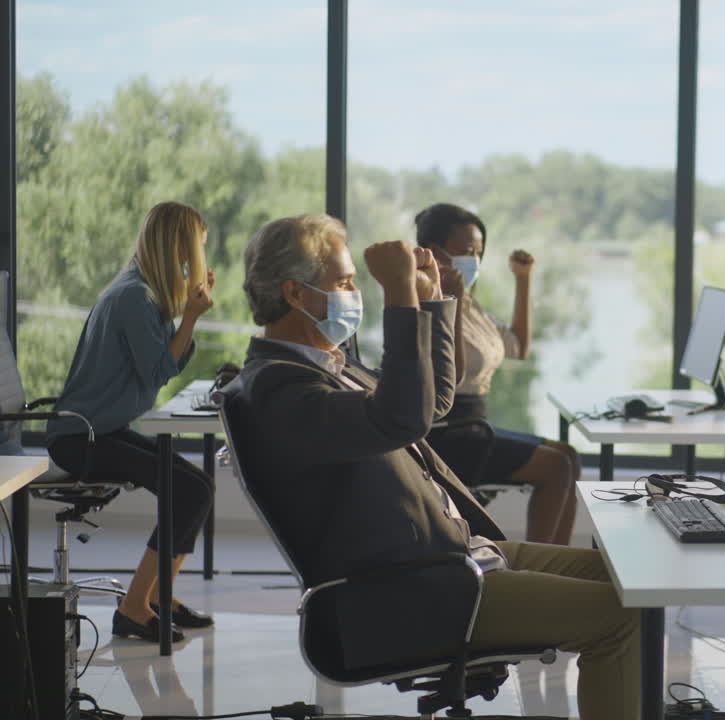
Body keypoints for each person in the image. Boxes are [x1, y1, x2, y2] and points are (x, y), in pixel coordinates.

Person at [236, 214, 639, 720]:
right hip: (417, 589)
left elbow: (432, 403)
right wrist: (400, 293)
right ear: (296, 294)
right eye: (343, 282)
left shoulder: (323, 366)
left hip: (453, 558)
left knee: (632, 579)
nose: (353, 293)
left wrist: (430, 299)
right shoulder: (281, 389)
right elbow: (401, 417)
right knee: (622, 616)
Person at [46, 201, 216, 643]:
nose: (196, 256)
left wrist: (185, 316)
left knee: (197, 486)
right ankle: (134, 607)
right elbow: (160, 370)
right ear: (176, 245)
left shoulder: (144, 293)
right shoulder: (133, 298)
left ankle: (158, 597)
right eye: (195, 246)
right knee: (189, 489)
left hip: (102, 429)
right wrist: (192, 316)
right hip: (80, 438)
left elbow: (166, 363)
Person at [413, 203, 579, 545]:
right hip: (447, 432)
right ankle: (537, 571)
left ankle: (557, 566)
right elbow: (452, 375)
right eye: (463, 251)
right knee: (556, 467)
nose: (472, 259)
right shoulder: (426, 302)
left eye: (478, 252)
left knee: (569, 456)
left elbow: (518, 346)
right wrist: (452, 299)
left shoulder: (470, 304)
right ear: (433, 253)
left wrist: (524, 279)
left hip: (474, 425)